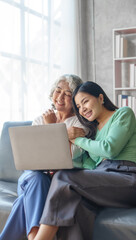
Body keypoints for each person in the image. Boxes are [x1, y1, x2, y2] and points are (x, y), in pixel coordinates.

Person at [32, 81, 136, 240]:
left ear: (100, 98)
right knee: (74, 206)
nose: (82, 109)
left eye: (85, 101)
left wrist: (76, 140)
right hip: (102, 181)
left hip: (128, 181)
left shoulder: (123, 114)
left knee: (63, 178)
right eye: (78, 106)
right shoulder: (93, 132)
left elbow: (109, 149)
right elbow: (91, 165)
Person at [0, 74, 86, 240]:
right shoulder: (40, 119)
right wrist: (61, 133)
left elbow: (65, 158)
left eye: (67, 94)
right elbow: (30, 158)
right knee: (36, 177)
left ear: (75, 100)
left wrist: (52, 127)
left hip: (56, 183)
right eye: (57, 91)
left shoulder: (79, 123)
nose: (60, 97)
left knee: (26, 197)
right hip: (30, 177)